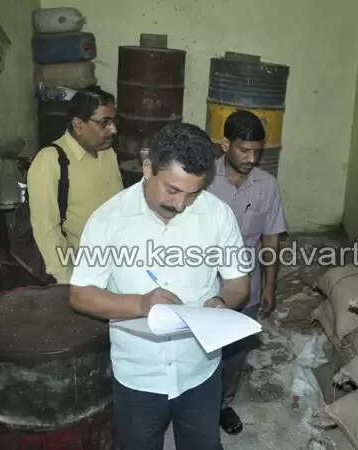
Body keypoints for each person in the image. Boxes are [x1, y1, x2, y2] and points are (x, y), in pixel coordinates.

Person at [69, 122, 250, 450]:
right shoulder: (108, 220)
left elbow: (238, 281)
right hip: (138, 375)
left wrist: (222, 303)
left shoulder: (217, 215)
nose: (180, 204)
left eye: (192, 194)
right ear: (147, 166)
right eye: (172, 190)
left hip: (200, 370)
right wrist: (140, 304)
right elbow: (81, 294)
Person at [207, 109, 287, 434]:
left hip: (247, 285)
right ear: (225, 144)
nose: (251, 158)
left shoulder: (267, 186)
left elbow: (270, 239)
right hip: (204, 283)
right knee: (199, 349)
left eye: (257, 151)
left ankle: (222, 404)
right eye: (244, 150)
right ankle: (195, 405)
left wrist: (269, 286)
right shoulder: (203, 179)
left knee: (235, 352)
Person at [27, 87, 123, 283]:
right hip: (82, 272)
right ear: (78, 125)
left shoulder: (107, 153)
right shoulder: (50, 161)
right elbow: (47, 232)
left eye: (114, 121)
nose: (113, 129)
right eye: (105, 123)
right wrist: (69, 284)